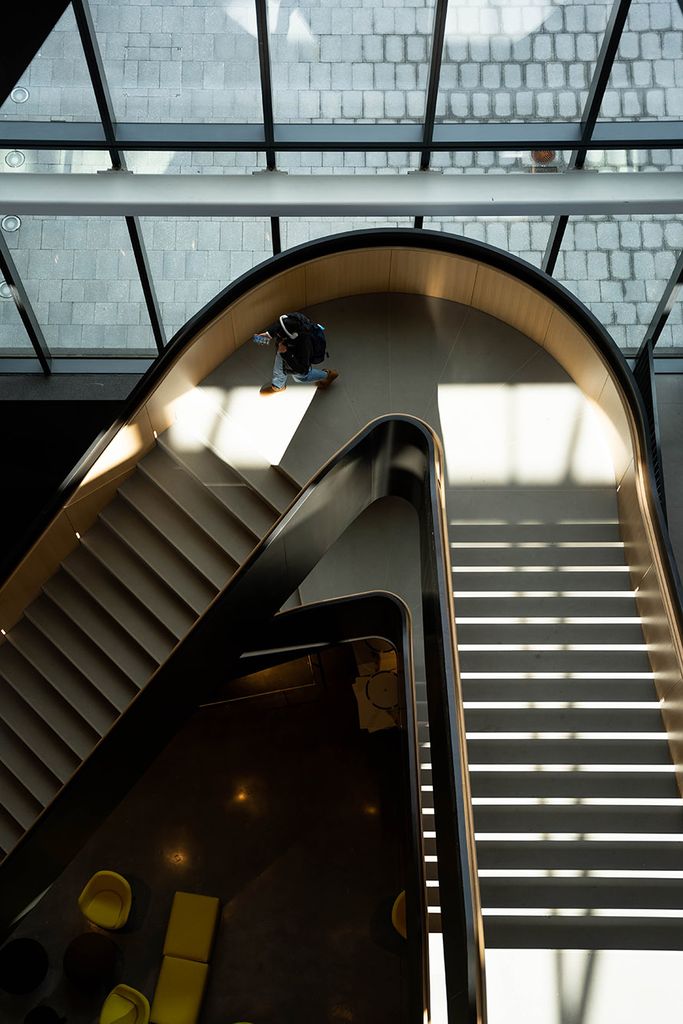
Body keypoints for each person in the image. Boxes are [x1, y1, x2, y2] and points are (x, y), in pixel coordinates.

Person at [253, 312, 338, 395]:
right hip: (284, 350)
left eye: (280, 334)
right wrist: (268, 334)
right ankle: (278, 386)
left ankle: (327, 375)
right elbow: (279, 327)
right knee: (278, 367)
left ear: (291, 336)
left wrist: (286, 353)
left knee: (301, 377)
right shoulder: (289, 322)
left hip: (294, 358)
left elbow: (302, 369)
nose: (277, 334)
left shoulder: (304, 345)